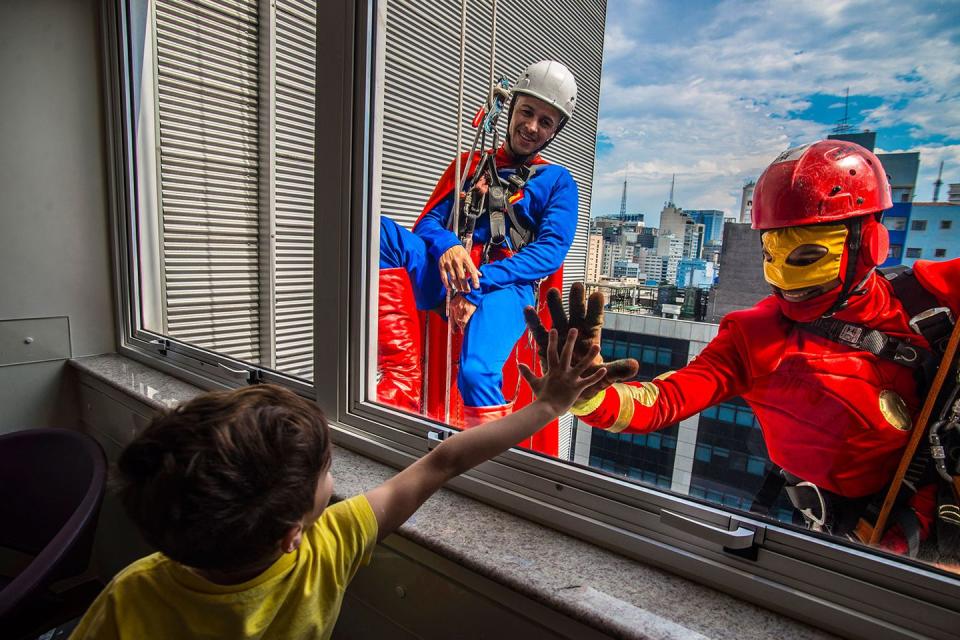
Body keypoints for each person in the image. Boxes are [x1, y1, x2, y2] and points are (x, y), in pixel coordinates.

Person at [525, 140, 960, 555]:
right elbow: (664, 400)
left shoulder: (930, 298)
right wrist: (590, 394)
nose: (786, 279)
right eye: (772, 251)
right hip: (883, 547)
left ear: (869, 243)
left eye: (807, 255)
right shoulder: (757, 336)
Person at [69, 329, 604, 639]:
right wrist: (549, 406)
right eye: (326, 471)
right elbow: (443, 462)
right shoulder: (327, 549)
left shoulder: (130, 597)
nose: (334, 475)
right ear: (289, 535)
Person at [377, 60, 580, 429]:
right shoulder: (469, 164)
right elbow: (428, 223)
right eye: (527, 112)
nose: (532, 127)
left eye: (546, 122)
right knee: (380, 235)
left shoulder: (556, 181)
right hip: (451, 270)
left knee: (476, 373)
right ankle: (403, 381)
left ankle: (486, 465)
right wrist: (450, 246)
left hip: (505, 285)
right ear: (512, 108)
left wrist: (478, 280)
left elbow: (550, 252)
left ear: (555, 131)